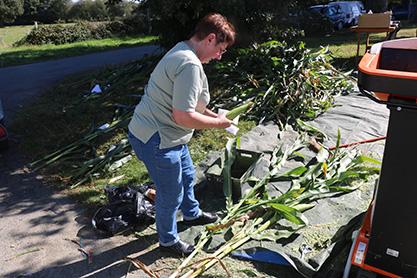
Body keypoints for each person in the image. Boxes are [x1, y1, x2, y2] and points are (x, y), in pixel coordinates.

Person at [128, 13, 236, 256]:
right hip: (156, 138)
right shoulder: (188, 64)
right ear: (210, 39)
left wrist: (215, 117)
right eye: (220, 49)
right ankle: (168, 241)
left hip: (169, 134)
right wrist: (218, 126)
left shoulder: (183, 49)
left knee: (187, 175)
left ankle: (192, 214)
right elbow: (183, 117)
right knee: (170, 193)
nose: (219, 56)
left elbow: (192, 103)